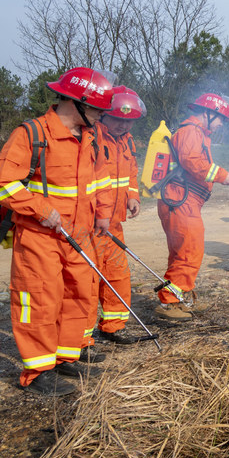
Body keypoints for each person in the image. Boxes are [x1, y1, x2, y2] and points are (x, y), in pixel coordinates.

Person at [0, 67, 115, 396]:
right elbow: (4, 183)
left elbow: (100, 180)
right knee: (40, 298)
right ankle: (39, 370)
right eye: (97, 111)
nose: (101, 117)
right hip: (39, 236)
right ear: (76, 102)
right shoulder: (32, 134)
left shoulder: (91, 138)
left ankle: (64, 357)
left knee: (78, 294)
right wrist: (42, 209)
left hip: (80, 234)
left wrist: (103, 213)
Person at [157, 93, 229, 320]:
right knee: (189, 252)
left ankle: (176, 298)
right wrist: (223, 175)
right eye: (220, 118)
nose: (221, 124)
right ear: (208, 113)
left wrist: (223, 177)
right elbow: (193, 162)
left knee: (181, 252)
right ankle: (169, 303)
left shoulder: (196, 133)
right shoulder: (191, 132)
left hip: (182, 200)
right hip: (181, 200)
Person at [91, 87, 146, 344]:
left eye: (129, 121)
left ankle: (113, 326)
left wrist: (133, 196)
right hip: (88, 225)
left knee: (118, 274)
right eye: (118, 119)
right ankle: (78, 340)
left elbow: (131, 171)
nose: (123, 126)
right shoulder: (90, 138)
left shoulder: (128, 141)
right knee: (88, 280)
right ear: (103, 115)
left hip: (113, 224)